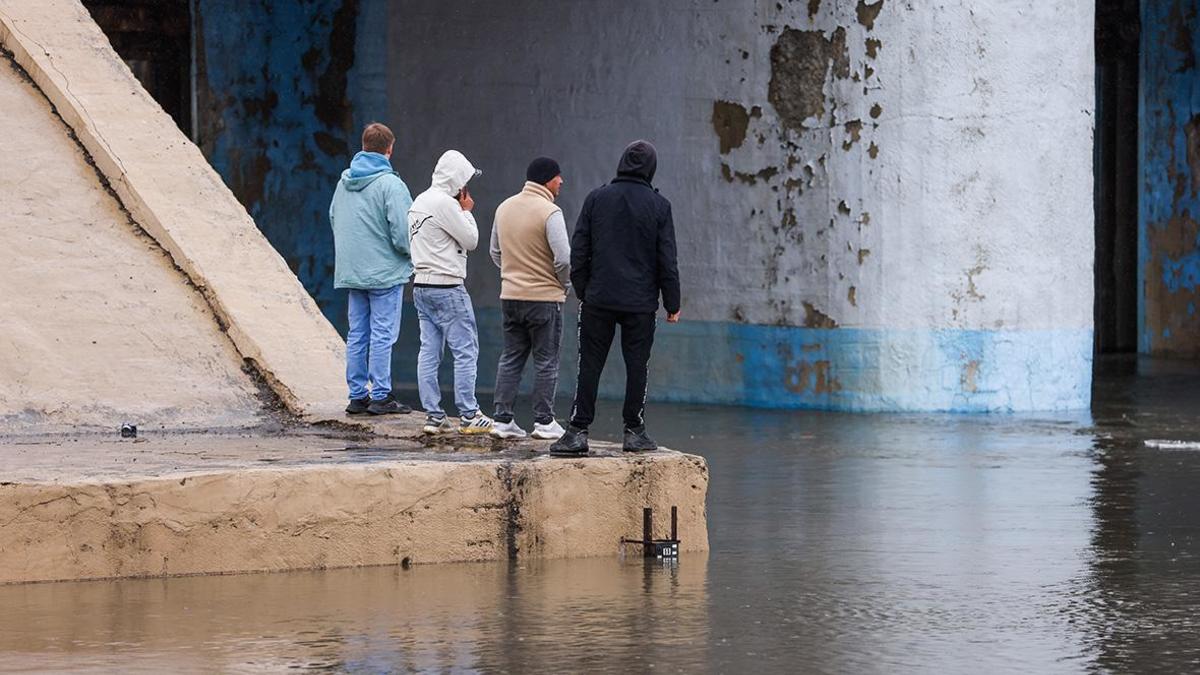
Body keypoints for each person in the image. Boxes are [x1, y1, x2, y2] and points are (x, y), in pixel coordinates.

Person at [550, 140, 680, 456]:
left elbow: (579, 250)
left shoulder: (597, 198)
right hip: (640, 303)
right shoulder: (659, 206)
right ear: (651, 169)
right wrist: (671, 302)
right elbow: (667, 259)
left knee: (589, 364)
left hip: (598, 299)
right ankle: (634, 432)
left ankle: (577, 432)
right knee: (638, 366)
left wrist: (584, 290)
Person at [407, 150, 495, 434]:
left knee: (429, 351)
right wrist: (466, 212)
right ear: (458, 181)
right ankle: (469, 414)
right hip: (447, 286)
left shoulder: (420, 200)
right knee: (465, 350)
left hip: (421, 286)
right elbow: (471, 241)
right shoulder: (446, 204)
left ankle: (434, 416)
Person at [330, 122, 413, 416]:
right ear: (389, 149)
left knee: (357, 333)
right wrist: (409, 255)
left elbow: (334, 218)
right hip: (385, 272)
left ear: (363, 146)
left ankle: (356, 395)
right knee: (382, 334)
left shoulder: (343, 183)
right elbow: (404, 231)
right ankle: (380, 396)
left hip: (352, 271)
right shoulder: (391, 185)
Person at [488, 157, 570, 440]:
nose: (562, 182)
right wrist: (563, 284)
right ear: (548, 179)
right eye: (559, 177)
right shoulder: (550, 212)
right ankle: (544, 422)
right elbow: (563, 258)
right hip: (545, 298)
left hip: (510, 296)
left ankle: (502, 420)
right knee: (546, 360)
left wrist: (514, 275)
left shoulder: (504, 208)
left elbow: (495, 252)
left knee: (511, 357)